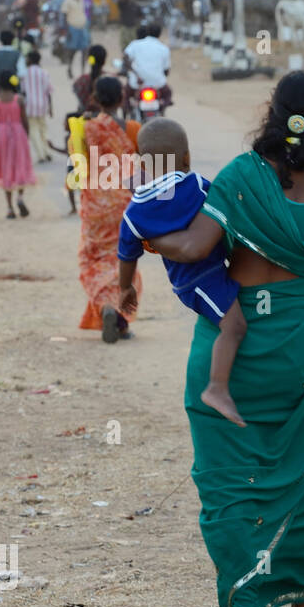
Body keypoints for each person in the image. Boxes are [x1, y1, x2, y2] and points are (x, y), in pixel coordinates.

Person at [143, 71, 304, 607]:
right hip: (297, 352)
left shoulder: (242, 177)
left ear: (273, 113)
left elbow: (193, 248)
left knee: (225, 483)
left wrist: (144, 240)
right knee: (298, 472)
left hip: (232, 344)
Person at [116, 118, 249, 426]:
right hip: (202, 278)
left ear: (143, 162)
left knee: (232, 324)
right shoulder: (197, 185)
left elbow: (126, 256)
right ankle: (217, 388)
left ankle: (220, 382)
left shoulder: (135, 211)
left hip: (190, 281)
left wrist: (126, 288)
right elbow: (225, 211)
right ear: (186, 158)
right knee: (235, 327)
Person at [76, 76, 143, 342]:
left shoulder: (84, 129)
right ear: (121, 100)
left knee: (93, 261)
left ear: (94, 99)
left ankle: (106, 306)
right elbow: (141, 168)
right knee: (125, 260)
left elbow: (77, 162)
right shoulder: (133, 129)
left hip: (95, 206)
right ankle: (121, 320)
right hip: (123, 206)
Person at [0, 71, 34, 219]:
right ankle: (20, 197)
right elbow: (25, 121)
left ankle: (9, 208)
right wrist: (25, 136)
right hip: (18, 133)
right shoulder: (19, 99)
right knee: (20, 165)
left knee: (5, 168)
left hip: (0, 136)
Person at [20, 50, 52, 163]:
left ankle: (40, 154)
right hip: (43, 105)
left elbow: (23, 91)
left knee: (33, 130)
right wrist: (51, 108)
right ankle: (47, 151)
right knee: (44, 129)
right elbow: (49, 91)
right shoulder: (44, 72)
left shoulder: (24, 73)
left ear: (29, 60)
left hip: (30, 106)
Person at [123, 21, 170, 98]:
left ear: (147, 32)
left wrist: (134, 73)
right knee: (168, 94)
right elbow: (166, 71)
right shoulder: (164, 48)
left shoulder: (136, 44)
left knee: (125, 95)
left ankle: (126, 109)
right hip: (157, 84)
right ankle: (162, 104)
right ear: (160, 34)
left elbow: (125, 58)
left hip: (137, 83)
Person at [60, 0, 89, 78]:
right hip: (72, 28)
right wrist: (67, 30)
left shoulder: (82, 0)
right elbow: (64, 16)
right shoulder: (68, 0)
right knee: (72, 51)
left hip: (82, 28)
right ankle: (69, 68)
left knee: (85, 50)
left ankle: (83, 72)